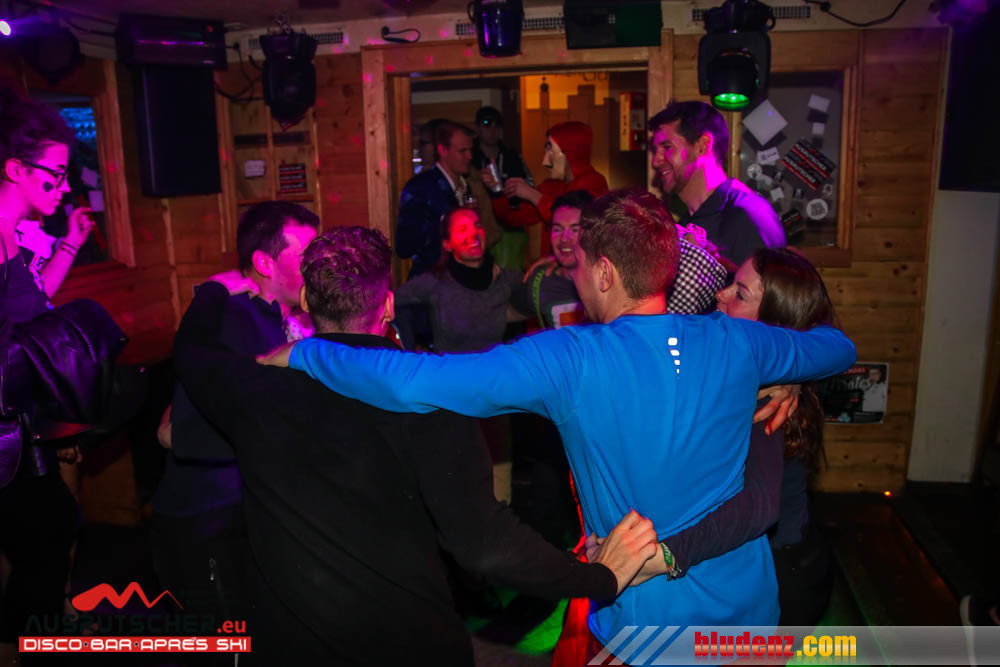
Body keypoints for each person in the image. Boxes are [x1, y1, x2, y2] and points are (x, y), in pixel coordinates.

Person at [264, 189, 857, 658]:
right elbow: (838, 346)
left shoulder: (570, 358)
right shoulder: (742, 341)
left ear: (605, 274)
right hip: (748, 622)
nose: (572, 275)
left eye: (580, 265)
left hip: (650, 630)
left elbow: (412, 382)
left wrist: (312, 352)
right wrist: (791, 373)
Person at [171, 226, 658, 665]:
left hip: (294, 649)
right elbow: (486, 546)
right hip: (407, 645)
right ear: (387, 306)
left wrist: (212, 292)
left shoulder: (254, 386)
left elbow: (193, 354)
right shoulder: (429, 397)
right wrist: (597, 577)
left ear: (303, 299)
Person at [150, 201, 317, 630]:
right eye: (306, 255)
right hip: (207, 519)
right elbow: (179, 431)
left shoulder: (287, 321)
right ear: (264, 263)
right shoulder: (235, 319)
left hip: (244, 512)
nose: (316, 266)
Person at [713, 247, 839, 625]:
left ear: (773, 324)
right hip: (770, 564)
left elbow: (750, 512)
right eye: (731, 283)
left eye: (740, 293)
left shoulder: (768, 403)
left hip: (783, 576)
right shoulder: (744, 372)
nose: (721, 294)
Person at [0, 86, 81, 659]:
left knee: (50, 530)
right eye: (54, 175)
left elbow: (30, 310)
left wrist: (72, 243)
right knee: (47, 532)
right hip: (3, 429)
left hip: (19, 423)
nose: (64, 187)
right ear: (14, 170)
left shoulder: (15, 238)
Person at [649, 100, 785, 265]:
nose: (656, 161)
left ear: (703, 145)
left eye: (667, 147)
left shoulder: (748, 215)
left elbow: (772, 281)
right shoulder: (687, 224)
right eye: (655, 150)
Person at [493, 121, 609, 261]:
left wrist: (532, 195)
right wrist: (497, 191)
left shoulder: (594, 182)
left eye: (551, 151)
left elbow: (575, 224)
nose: (545, 162)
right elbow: (514, 218)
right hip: (554, 268)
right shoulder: (552, 186)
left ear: (570, 152)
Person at [397, 121, 499, 277]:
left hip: (464, 279)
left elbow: (490, 234)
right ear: (443, 150)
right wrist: (447, 224)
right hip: (432, 280)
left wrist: (495, 192)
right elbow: (404, 246)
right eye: (462, 151)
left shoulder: (469, 185)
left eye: (470, 150)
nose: (469, 156)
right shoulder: (420, 187)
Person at [473, 106, 534, 271]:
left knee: (511, 275)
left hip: (511, 226)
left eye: (497, 125)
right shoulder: (470, 157)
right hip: (479, 225)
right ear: (477, 127)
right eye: (487, 124)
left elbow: (529, 186)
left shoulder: (512, 156)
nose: (493, 130)